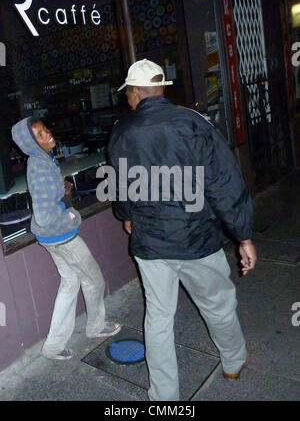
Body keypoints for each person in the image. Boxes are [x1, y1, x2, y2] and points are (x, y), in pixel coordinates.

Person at [107, 58, 257, 401]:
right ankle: (233, 362)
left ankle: (164, 397)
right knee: (218, 303)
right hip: (197, 240)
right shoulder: (193, 122)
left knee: (158, 317)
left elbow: (120, 182)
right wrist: (243, 235)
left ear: (134, 92)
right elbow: (224, 182)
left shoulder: (122, 131)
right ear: (162, 89)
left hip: (150, 242)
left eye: (128, 94)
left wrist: (128, 214)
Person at [12, 117, 121, 360]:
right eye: (39, 135)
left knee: (70, 283)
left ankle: (52, 347)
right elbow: (44, 212)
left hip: (53, 237)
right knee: (93, 279)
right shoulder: (39, 166)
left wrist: (62, 191)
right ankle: (95, 326)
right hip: (62, 237)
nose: (47, 134)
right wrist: (67, 206)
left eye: (45, 129)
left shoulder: (41, 160)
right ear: (30, 143)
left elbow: (48, 197)